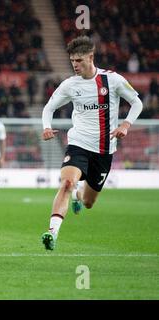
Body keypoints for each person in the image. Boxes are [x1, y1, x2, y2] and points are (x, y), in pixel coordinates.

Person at [40, 36, 143, 250]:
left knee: (88, 202)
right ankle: (52, 233)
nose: (75, 65)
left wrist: (125, 125)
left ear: (90, 57)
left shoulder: (112, 80)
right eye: (72, 61)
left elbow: (136, 102)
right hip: (78, 144)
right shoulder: (69, 85)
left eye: (79, 60)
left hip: (104, 150)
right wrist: (46, 127)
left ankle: (79, 195)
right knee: (67, 183)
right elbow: (49, 107)